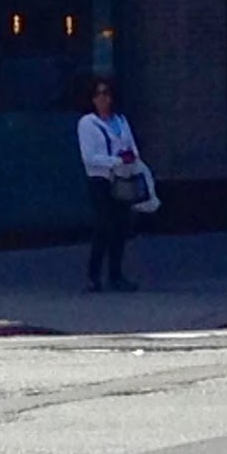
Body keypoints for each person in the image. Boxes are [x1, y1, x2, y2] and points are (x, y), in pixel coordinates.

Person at [77, 76, 140, 293]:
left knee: (121, 226)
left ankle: (116, 275)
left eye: (106, 93)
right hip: (100, 180)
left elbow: (132, 147)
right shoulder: (87, 123)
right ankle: (93, 276)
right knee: (104, 226)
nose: (103, 98)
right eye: (98, 94)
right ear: (92, 98)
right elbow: (89, 157)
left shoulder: (121, 121)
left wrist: (130, 162)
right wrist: (115, 161)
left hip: (121, 179)